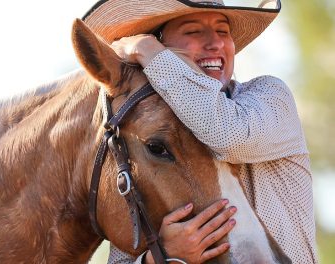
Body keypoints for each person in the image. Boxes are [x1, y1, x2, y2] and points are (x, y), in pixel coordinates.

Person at [82, 0, 317, 263]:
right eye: (193, 32)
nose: (215, 44)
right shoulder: (144, 134)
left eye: (223, 32)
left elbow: (228, 136)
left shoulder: (270, 97)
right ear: (161, 44)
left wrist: (145, 48)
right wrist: (161, 257)